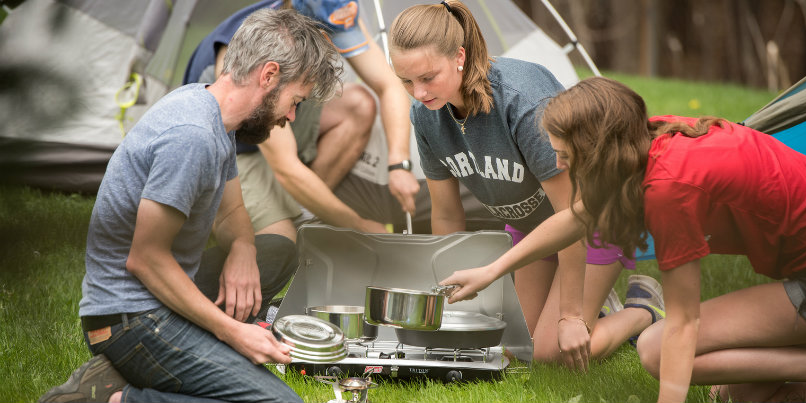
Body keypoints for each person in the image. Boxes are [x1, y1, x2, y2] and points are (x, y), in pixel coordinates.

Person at [443, 76, 806, 403]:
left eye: (565, 155)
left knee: (656, 349)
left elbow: (684, 323)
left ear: (596, 150)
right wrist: (492, 270)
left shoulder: (670, 188)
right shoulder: (647, 137)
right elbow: (576, 218)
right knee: (736, 393)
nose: (559, 165)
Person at [38, 8, 342, 403]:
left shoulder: (215, 116)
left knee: (277, 250)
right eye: (294, 99)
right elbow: (145, 259)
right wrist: (233, 333)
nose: (291, 115)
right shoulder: (192, 136)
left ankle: (126, 373)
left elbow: (232, 213)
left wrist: (243, 249)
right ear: (268, 76)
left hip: (157, 299)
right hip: (131, 319)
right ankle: (116, 398)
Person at [388, 0, 665, 369]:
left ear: (459, 56)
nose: (418, 93)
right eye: (406, 81)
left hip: (590, 225)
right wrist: (444, 295)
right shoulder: (426, 117)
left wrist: (568, 316)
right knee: (518, 349)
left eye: (427, 77)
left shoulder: (523, 103)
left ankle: (642, 310)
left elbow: (573, 217)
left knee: (551, 354)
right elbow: (447, 213)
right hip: (530, 232)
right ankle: (594, 305)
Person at [184, 0, 419, 241]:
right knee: (279, 240)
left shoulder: (340, 8)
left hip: (272, 123)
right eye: (324, 32)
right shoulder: (253, 43)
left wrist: (399, 164)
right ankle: (278, 219)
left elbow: (390, 84)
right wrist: (360, 226)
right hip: (233, 148)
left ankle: (303, 213)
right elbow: (286, 167)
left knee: (359, 104)